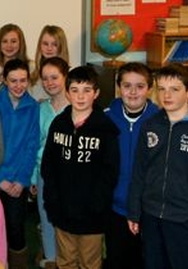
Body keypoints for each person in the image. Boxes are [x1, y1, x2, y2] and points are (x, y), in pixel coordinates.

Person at [127, 64, 188, 269]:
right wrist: (134, 211)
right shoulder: (150, 125)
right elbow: (139, 172)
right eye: (161, 89)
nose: (166, 95)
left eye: (174, 89)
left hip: (185, 217)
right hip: (151, 215)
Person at [41, 65, 120, 269]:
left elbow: (110, 171)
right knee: (66, 261)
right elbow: (48, 165)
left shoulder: (106, 128)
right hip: (63, 209)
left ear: (96, 93)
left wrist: (97, 203)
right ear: (67, 93)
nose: (81, 96)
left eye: (87, 90)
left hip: (92, 213)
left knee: (89, 262)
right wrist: (52, 200)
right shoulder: (58, 124)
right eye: (75, 90)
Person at [103, 62, 159, 269]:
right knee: (118, 258)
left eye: (140, 86)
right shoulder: (106, 117)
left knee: (146, 259)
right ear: (119, 88)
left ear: (150, 89)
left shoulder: (160, 121)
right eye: (127, 86)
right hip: (115, 208)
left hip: (148, 208)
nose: (133, 92)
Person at [0, 58, 39, 268]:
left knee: (16, 228)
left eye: (23, 80)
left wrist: (21, 180)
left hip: (18, 181)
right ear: (4, 80)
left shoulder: (33, 107)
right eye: (13, 80)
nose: (19, 85)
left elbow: (32, 145)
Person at [30, 57, 70, 269]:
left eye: (54, 77)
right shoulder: (40, 109)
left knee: (68, 223)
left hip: (71, 176)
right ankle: (51, 262)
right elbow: (35, 145)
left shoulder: (77, 107)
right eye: (45, 79)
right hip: (45, 174)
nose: (49, 82)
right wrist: (34, 177)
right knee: (47, 223)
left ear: (65, 77)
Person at [0, 24, 30, 98]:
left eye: (13, 41)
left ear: (21, 43)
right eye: (4, 41)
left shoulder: (32, 68)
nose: (9, 45)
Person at [29, 25, 70, 101]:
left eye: (54, 44)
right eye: (45, 44)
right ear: (39, 46)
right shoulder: (31, 73)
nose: (49, 48)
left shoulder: (70, 78)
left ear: (61, 47)